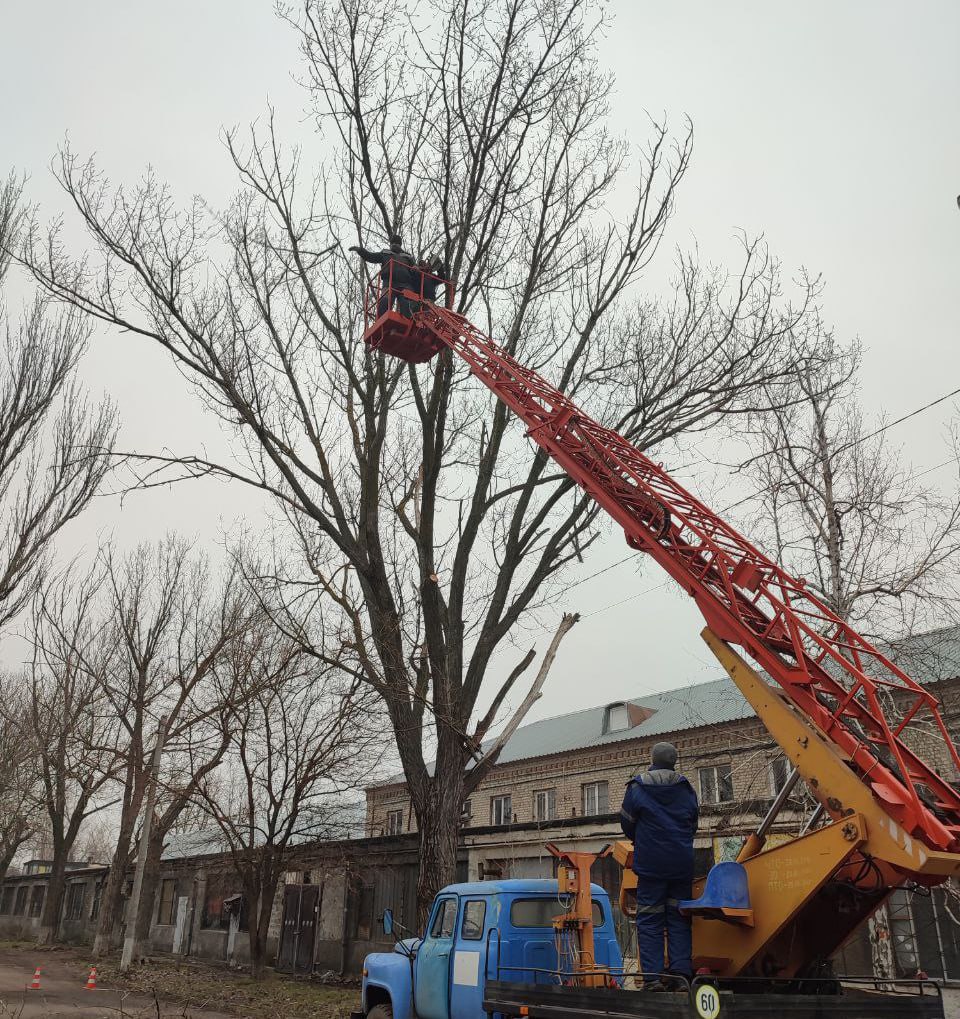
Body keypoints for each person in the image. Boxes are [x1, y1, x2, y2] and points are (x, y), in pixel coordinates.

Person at [619, 741, 699, 991]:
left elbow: (627, 823)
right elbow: (693, 823)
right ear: (674, 760)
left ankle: (652, 978)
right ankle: (681, 977)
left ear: (652, 758)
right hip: (681, 865)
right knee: (678, 919)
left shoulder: (638, 787)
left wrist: (643, 839)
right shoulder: (686, 788)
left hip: (651, 865)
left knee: (650, 919)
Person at [349, 234, 415, 315]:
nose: (394, 244)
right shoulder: (385, 253)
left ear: (400, 245)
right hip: (389, 283)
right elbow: (371, 256)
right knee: (385, 302)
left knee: (407, 304)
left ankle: (408, 321)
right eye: (392, 243)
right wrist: (360, 250)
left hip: (405, 284)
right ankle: (381, 320)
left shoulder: (408, 256)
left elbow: (415, 270)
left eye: (396, 243)